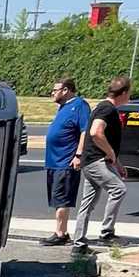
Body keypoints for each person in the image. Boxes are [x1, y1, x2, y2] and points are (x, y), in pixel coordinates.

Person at [71, 76, 131, 256]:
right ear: (125, 93)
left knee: (87, 203)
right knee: (119, 189)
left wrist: (117, 163)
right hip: (96, 161)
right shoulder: (107, 108)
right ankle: (107, 233)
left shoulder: (101, 106)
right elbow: (96, 132)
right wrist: (111, 154)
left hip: (90, 161)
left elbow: (101, 137)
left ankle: (78, 244)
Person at [39, 78, 90, 246]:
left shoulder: (80, 106)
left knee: (61, 198)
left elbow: (85, 131)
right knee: (56, 198)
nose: (53, 93)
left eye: (55, 90)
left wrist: (79, 154)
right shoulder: (63, 107)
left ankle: (60, 233)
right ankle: (63, 232)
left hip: (65, 161)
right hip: (54, 161)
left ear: (66, 90)